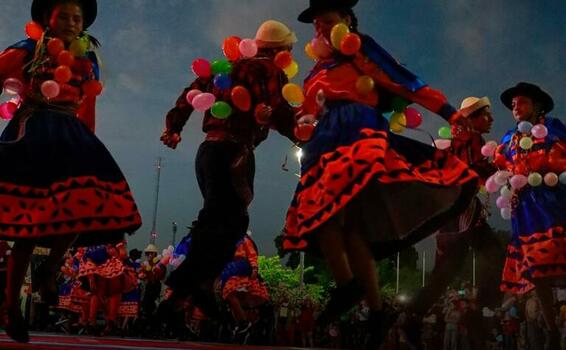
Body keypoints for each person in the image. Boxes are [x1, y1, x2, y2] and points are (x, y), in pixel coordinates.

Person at [283, 0, 479, 346]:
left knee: (339, 221)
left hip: (357, 133)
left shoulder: (356, 47)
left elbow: (402, 80)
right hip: (322, 145)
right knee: (334, 224)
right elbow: (306, 112)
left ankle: (351, 290)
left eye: (326, 21)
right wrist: (296, 121)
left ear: (346, 19)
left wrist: (448, 111)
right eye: (315, 25)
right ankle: (374, 308)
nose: (320, 29)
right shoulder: (317, 71)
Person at [0, 0, 141, 342]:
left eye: (76, 17)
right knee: (29, 227)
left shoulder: (87, 58)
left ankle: (51, 269)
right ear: (47, 18)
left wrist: (87, 142)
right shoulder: (28, 48)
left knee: (84, 203)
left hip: (70, 131)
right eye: (63, 15)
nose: (70, 22)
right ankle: (10, 305)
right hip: (35, 129)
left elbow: (88, 101)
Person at [160, 20, 297, 314]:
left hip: (207, 150)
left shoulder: (225, 68)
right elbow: (281, 111)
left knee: (222, 218)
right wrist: (306, 135)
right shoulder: (270, 70)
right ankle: (186, 285)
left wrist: (173, 127)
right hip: (234, 152)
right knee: (226, 220)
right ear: (281, 50)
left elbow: (190, 94)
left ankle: (201, 286)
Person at [403, 96, 505, 347]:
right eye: (486, 115)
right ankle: (478, 313)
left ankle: (413, 316)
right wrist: (502, 169)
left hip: (452, 213)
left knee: (447, 270)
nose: (491, 120)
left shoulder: (458, 139)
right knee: (494, 253)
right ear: (472, 118)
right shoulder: (469, 138)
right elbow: (473, 168)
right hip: (461, 210)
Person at [495, 82, 566, 349]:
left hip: (553, 201)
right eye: (513, 104)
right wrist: (510, 185)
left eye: (521, 102)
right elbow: (503, 169)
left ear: (537, 106)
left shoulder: (553, 128)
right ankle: (551, 330)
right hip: (525, 210)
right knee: (536, 272)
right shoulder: (507, 139)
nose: (515, 106)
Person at [219, 233, 269, 342]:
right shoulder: (228, 242)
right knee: (231, 299)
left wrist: (254, 269)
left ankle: (243, 324)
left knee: (231, 296)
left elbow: (252, 254)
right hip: (231, 271)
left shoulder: (244, 240)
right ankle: (241, 326)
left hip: (241, 271)